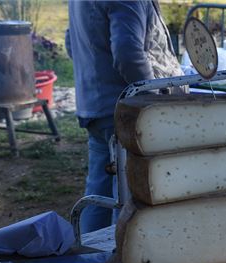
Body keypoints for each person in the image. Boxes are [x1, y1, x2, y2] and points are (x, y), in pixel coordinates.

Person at [66, 0, 183, 233]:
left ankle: (88, 257)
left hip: (97, 105)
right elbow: (128, 53)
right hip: (125, 111)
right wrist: (150, 101)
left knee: (99, 190)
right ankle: (117, 258)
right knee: (127, 197)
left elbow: (71, 42)